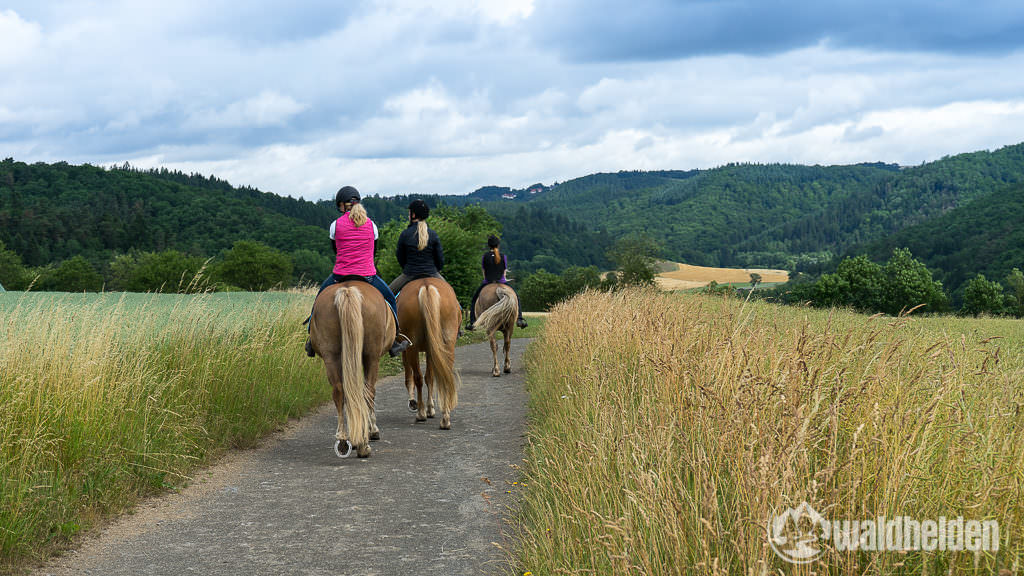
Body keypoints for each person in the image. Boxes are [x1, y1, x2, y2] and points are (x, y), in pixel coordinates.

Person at [305, 186, 410, 358]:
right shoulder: (372, 225)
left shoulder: (335, 225)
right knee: (390, 299)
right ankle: (394, 340)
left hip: (340, 275)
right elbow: (373, 251)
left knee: (318, 300)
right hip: (367, 276)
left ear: (341, 205)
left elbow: (336, 250)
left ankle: (311, 339)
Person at [466, 234, 527, 330]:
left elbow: (484, 272)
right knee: (517, 297)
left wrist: (487, 280)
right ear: (498, 245)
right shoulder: (503, 256)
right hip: (502, 282)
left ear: (488, 245)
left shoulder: (485, 256)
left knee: (474, 300)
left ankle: (472, 322)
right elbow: (504, 272)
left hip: (488, 282)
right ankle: (519, 319)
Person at [388, 199, 445, 293]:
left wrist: (408, 268)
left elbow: (400, 257)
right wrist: (434, 270)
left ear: (413, 215)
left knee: (387, 295)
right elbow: (440, 259)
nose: (408, 215)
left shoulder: (405, 234)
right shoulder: (433, 234)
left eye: (409, 212)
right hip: (432, 272)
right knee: (453, 297)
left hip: (409, 273)